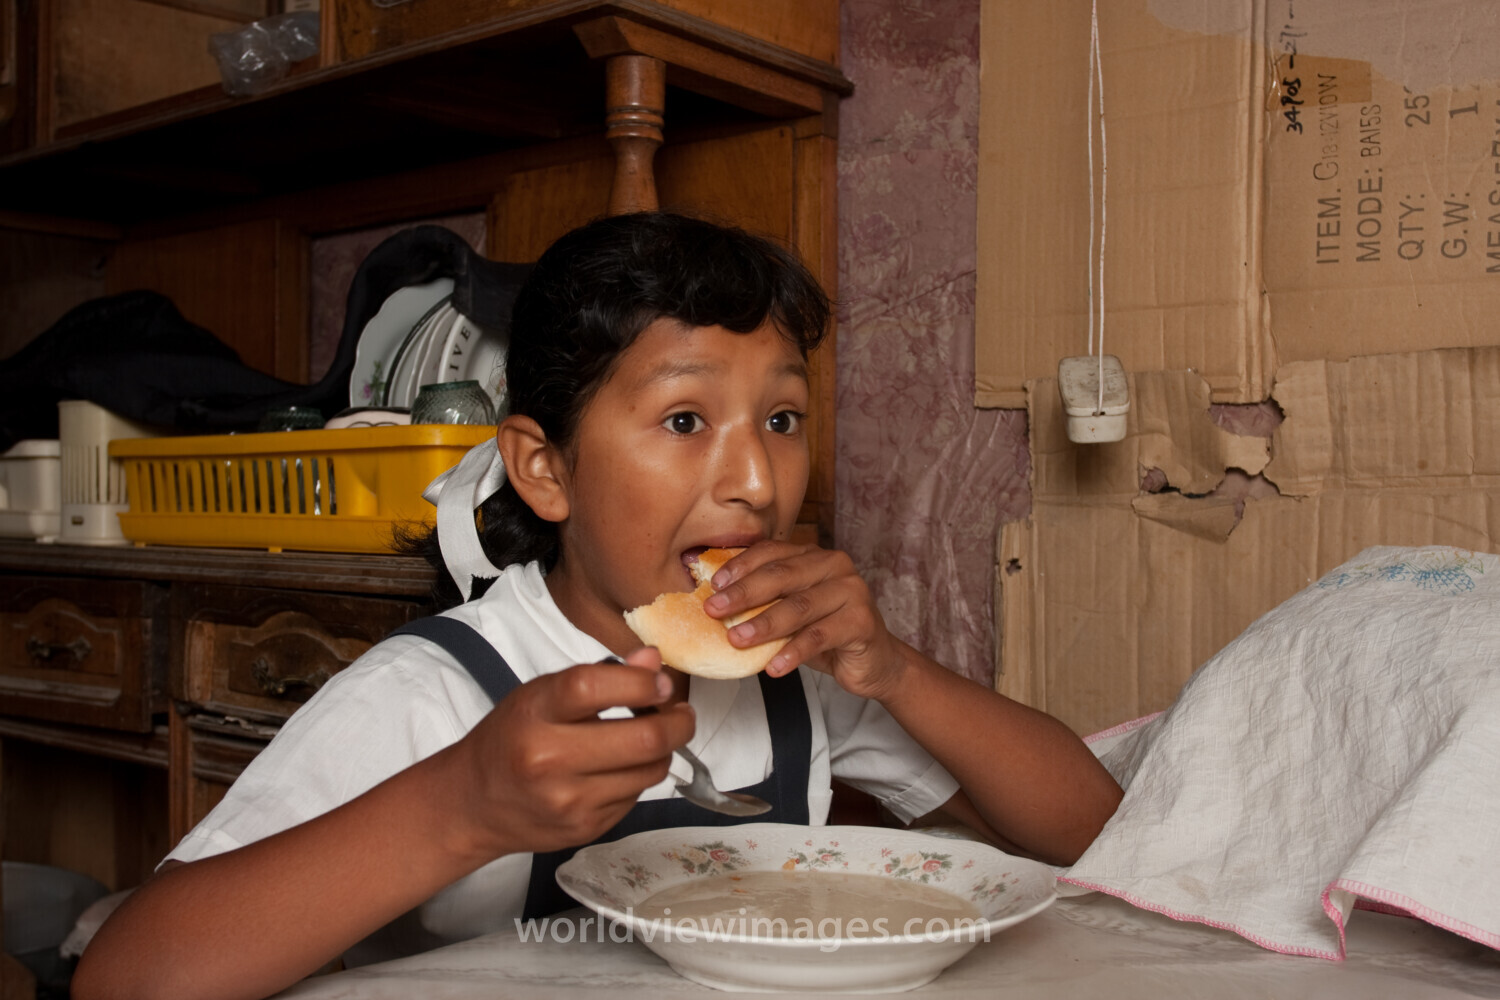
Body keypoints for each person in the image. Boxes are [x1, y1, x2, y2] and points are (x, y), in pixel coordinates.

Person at [73, 213, 1122, 1000]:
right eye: (684, 418)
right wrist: (461, 803)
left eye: (783, 417)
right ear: (544, 469)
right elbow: (126, 978)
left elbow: (1093, 834)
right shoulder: (432, 692)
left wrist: (894, 668)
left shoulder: (791, 674)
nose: (756, 481)